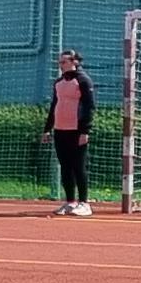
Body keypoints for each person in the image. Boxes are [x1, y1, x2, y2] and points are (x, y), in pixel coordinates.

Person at [47, 50, 97, 217]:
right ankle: (70, 202)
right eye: (59, 62)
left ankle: (84, 203)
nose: (60, 65)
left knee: (79, 166)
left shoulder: (83, 80)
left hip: (77, 131)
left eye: (63, 62)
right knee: (65, 167)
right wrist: (47, 129)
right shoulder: (59, 82)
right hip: (60, 130)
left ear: (74, 62)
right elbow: (54, 105)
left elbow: (89, 107)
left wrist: (85, 131)